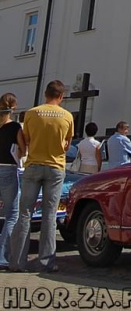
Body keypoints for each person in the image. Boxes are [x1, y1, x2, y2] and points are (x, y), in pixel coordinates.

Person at [10, 80, 74, 273]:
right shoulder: (67, 116)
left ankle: (17, 262)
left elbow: (26, 138)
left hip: (33, 165)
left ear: (45, 94)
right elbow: (67, 145)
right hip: (55, 167)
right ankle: (47, 262)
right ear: (61, 97)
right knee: (49, 215)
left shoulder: (32, 113)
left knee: (25, 214)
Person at [0, 93, 26, 269]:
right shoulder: (15, 127)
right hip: (8, 169)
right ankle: (2, 256)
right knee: (12, 214)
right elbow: (23, 150)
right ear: (13, 107)